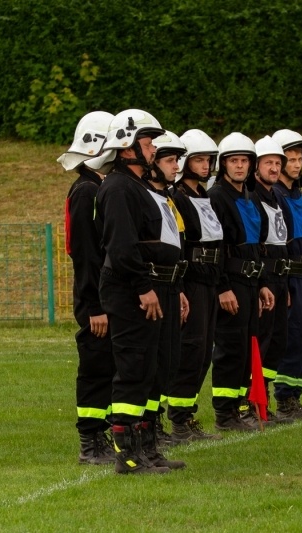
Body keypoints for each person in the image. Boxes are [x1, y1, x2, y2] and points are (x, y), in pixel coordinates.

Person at [95, 109, 185, 474]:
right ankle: (127, 454)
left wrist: (171, 286)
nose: (152, 151)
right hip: (133, 289)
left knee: (156, 368)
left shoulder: (139, 187)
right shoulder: (117, 188)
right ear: (126, 148)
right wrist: (145, 287)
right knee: (134, 368)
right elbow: (122, 247)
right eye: (147, 144)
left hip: (158, 286)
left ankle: (148, 448)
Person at [58, 110, 116, 465]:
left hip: (104, 293)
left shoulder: (97, 187)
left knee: (109, 364)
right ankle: (90, 442)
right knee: (96, 366)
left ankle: (102, 434)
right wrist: (95, 305)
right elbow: (86, 254)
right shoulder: (85, 191)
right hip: (94, 295)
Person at [208, 132, 275, 431]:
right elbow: (217, 247)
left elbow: (257, 247)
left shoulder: (250, 198)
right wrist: (223, 287)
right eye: (233, 161)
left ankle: (238, 408)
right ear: (223, 165)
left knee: (248, 349)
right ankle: (224, 413)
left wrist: (261, 283)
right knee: (229, 349)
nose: (239, 166)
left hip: (250, 282)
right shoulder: (217, 197)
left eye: (244, 161)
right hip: (231, 282)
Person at [167, 129, 224, 443]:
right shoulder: (177, 196)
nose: (205, 165)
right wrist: (183, 288)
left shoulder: (204, 194)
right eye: (199, 159)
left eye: (208, 159)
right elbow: (181, 242)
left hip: (210, 278)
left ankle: (186, 414)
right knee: (191, 348)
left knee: (204, 352)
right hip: (192, 279)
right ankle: (177, 418)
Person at [140, 131, 191, 452]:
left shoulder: (169, 198)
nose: (176, 167)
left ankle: (154, 421)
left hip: (173, 286)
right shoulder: (143, 196)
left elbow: (179, 244)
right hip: (152, 287)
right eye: (170, 160)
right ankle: (147, 424)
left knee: (169, 358)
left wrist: (180, 288)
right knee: (152, 359)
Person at [271, 129, 302, 420]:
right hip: (290, 278)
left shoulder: (299, 195)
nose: (295, 164)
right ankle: (284, 399)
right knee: (293, 337)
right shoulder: (275, 195)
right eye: (290, 159)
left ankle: (295, 397)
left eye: (299, 159)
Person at [244, 135, 291, 426]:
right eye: (268, 163)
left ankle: (266, 399)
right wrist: (263, 282)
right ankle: (251, 402)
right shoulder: (251, 197)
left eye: (277, 163)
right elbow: (255, 243)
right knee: (260, 341)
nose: (274, 168)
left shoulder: (277, 197)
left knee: (277, 342)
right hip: (264, 275)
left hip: (280, 277)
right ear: (256, 167)